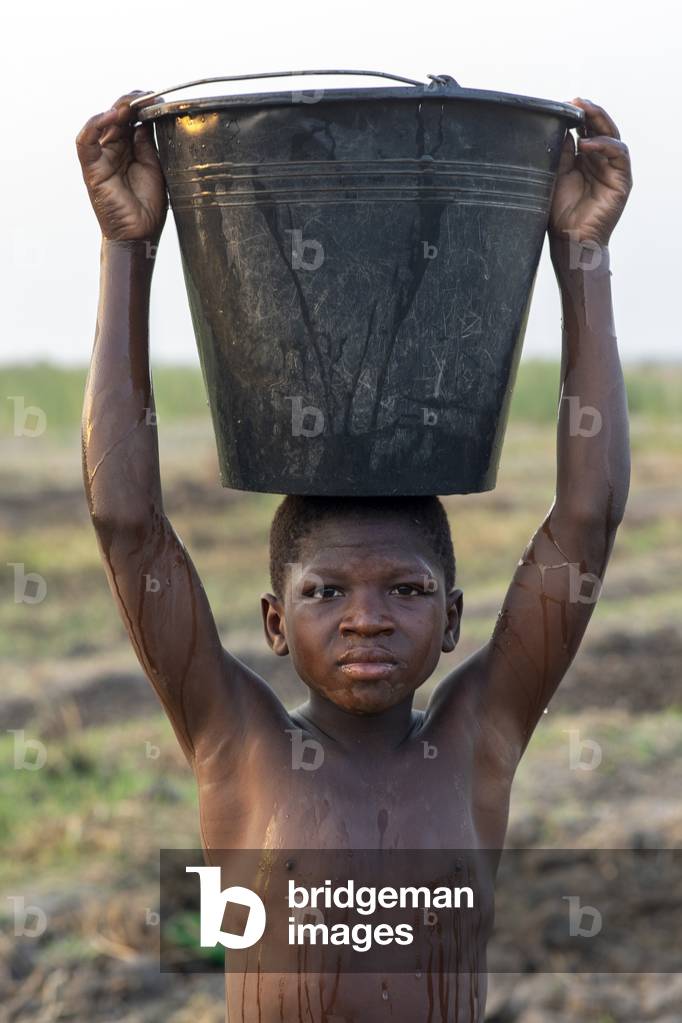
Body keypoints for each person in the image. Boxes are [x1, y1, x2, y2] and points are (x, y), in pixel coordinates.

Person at [76, 90, 632, 1021]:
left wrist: (581, 254)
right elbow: (128, 523)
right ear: (274, 621)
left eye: (407, 590)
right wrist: (127, 248)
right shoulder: (237, 744)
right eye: (325, 590)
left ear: (454, 619)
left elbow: (588, 517)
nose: (366, 616)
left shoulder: (475, 743)